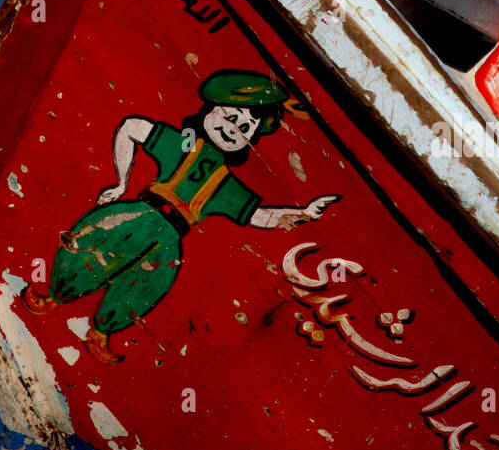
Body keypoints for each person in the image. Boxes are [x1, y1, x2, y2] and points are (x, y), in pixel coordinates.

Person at [22, 70, 338, 363]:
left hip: (171, 239)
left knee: (144, 285)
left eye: (245, 129)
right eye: (230, 117)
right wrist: (121, 182)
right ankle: (53, 295)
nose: (233, 129)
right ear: (211, 110)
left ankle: (102, 333)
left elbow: (260, 215)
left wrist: (304, 213)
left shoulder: (226, 183)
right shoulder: (183, 144)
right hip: (141, 213)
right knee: (94, 242)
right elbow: (133, 127)